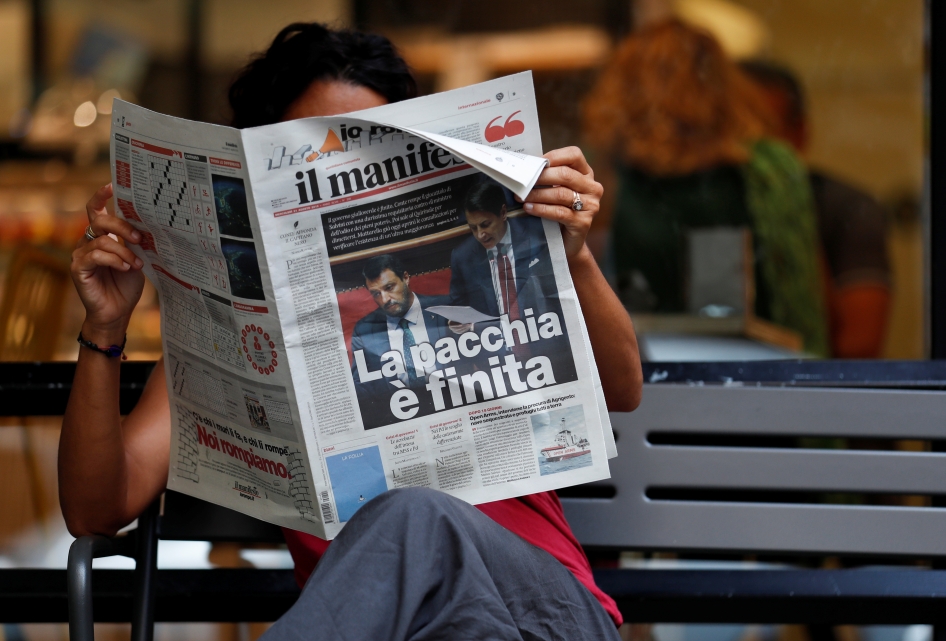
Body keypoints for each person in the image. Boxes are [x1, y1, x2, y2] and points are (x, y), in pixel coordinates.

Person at [59, 23, 642, 640]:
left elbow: (623, 388)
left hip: (549, 613)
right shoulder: (238, 342)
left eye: (370, 150)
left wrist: (572, 257)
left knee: (417, 516)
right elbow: (96, 509)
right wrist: (105, 327)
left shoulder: (470, 279)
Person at [582, 18, 829, 356]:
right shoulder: (768, 168)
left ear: (622, 86)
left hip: (641, 372)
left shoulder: (603, 173)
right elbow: (802, 298)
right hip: (757, 371)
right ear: (723, 81)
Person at [739, 59, 892, 358]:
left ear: (800, 134)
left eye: (764, 132)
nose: (749, 150)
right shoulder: (701, 198)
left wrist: (791, 223)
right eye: (733, 130)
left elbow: (859, 347)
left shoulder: (848, 207)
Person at [351, 254, 451, 426]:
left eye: (389, 287)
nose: (384, 299)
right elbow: (361, 388)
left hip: (449, 405)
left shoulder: (445, 308)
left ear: (405, 278)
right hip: (400, 417)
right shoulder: (364, 330)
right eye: (376, 293)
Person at [450, 179, 558, 319]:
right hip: (492, 336)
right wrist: (459, 323)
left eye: (485, 225)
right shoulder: (462, 257)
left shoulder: (537, 234)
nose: (480, 235)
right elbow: (458, 307)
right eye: (473, 228)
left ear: (503, 213)